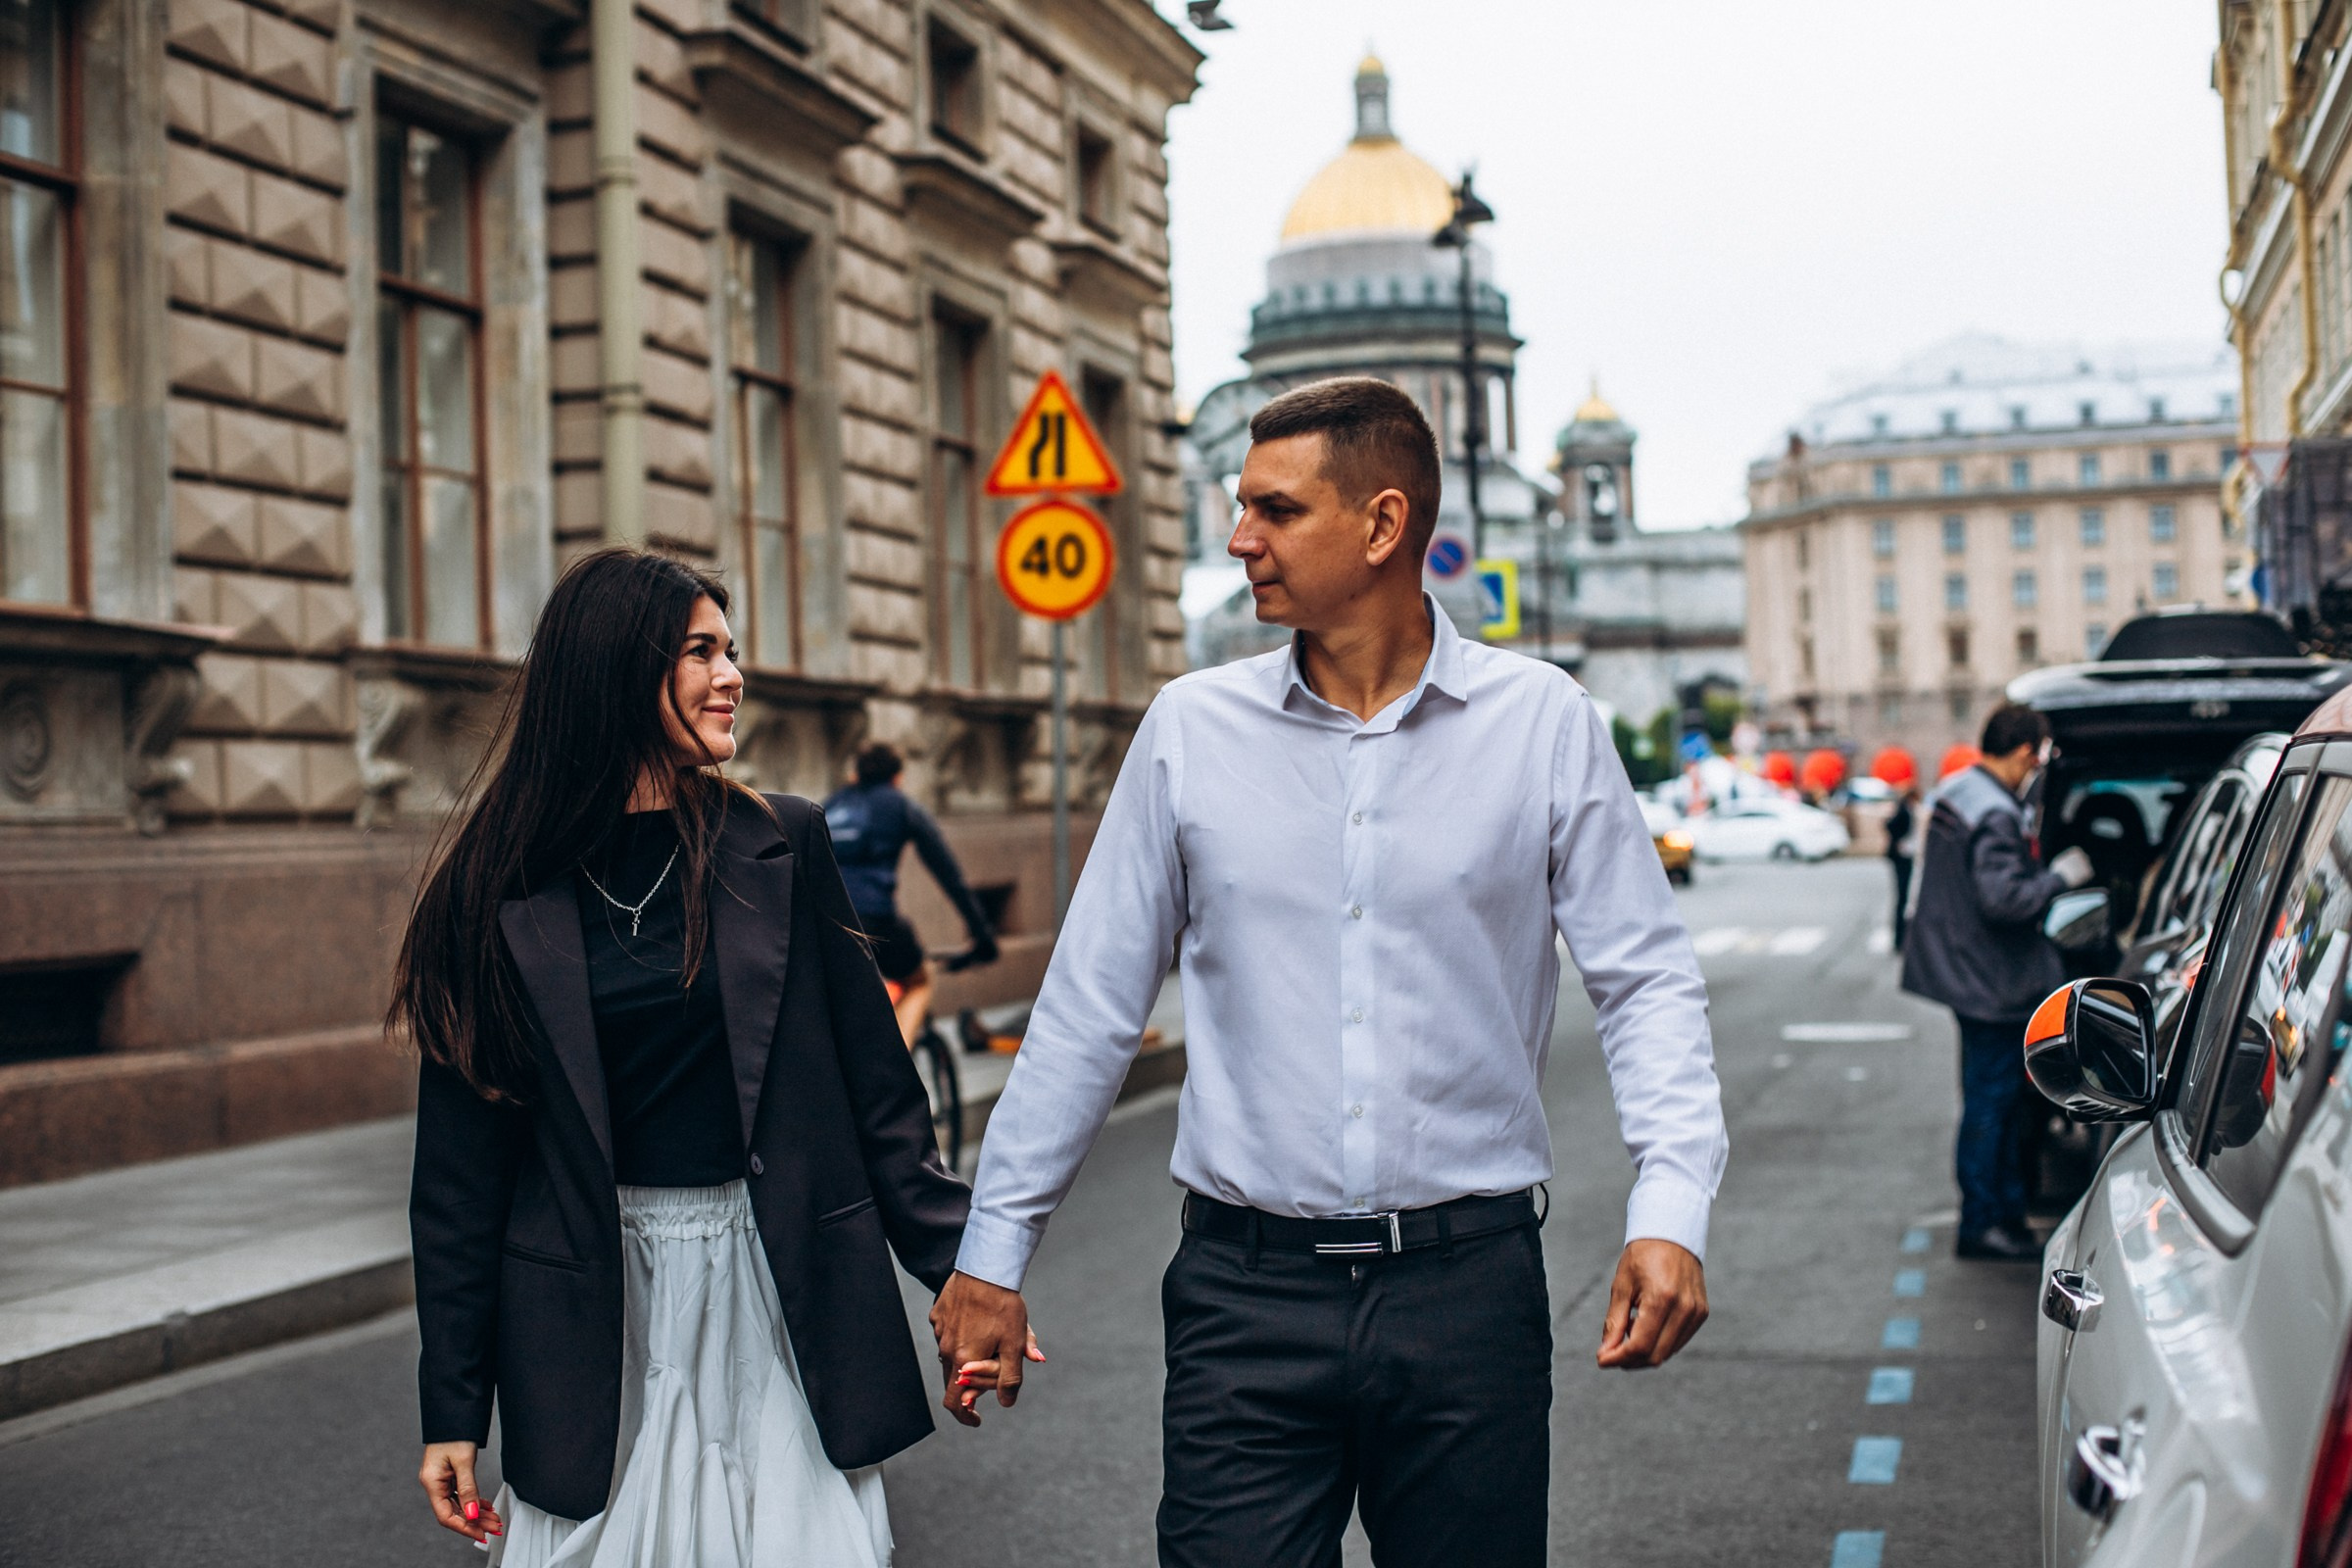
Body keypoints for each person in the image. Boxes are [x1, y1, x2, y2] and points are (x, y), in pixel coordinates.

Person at [929, 377, 1729, 1567]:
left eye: (1273, 509)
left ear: (1381, 525)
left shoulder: (1544, 725)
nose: (1239, 537)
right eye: (1239, 508)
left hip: (1469, 1294)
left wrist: (1673, 1209)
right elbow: (1090, 1010)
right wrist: (992, 1254)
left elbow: (1646, 983)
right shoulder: (1191, 733)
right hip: (1244, 1299)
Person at [397, 548, 1004, 1567]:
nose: (733, 675)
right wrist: (452, 1407)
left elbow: (879, 1095)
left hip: (773, 1286)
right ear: (618, 672)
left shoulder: (780, 845)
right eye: (701, 651)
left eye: (733, 650)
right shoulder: (493, 889)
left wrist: (965, 1271)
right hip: (597, 1315)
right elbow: (459, 1181)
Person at [1899, 704, 2094, 1262]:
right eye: (2039, 754)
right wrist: (2061, 877)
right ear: (2026, 752)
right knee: (1993, 1105)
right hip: (1992, 981)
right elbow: (2003, 899)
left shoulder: (1958, 790)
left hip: (1964, 971)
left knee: (1985, 1100)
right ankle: (1986, 1222)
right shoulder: (1996, 812)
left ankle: (1993, 1213)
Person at [823, 743, 999, 1049]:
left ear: (856, 775)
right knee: (918, 981)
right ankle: (895, 1075)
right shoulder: (900, 806)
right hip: (875, 921)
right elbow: (949, 875)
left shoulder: (832, 804)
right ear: (897, 778)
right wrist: (983, 935)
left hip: (823, 922)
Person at [1886, 782, 1923, 951]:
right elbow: (1890, 825)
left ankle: (1900, 938)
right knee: (1902, 897)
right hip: (1902, 856)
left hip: (1905, 855)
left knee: (1903, 897)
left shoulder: (1906, 808)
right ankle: (1899, 939)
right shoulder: (1903, 809)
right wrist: (1898, 841)